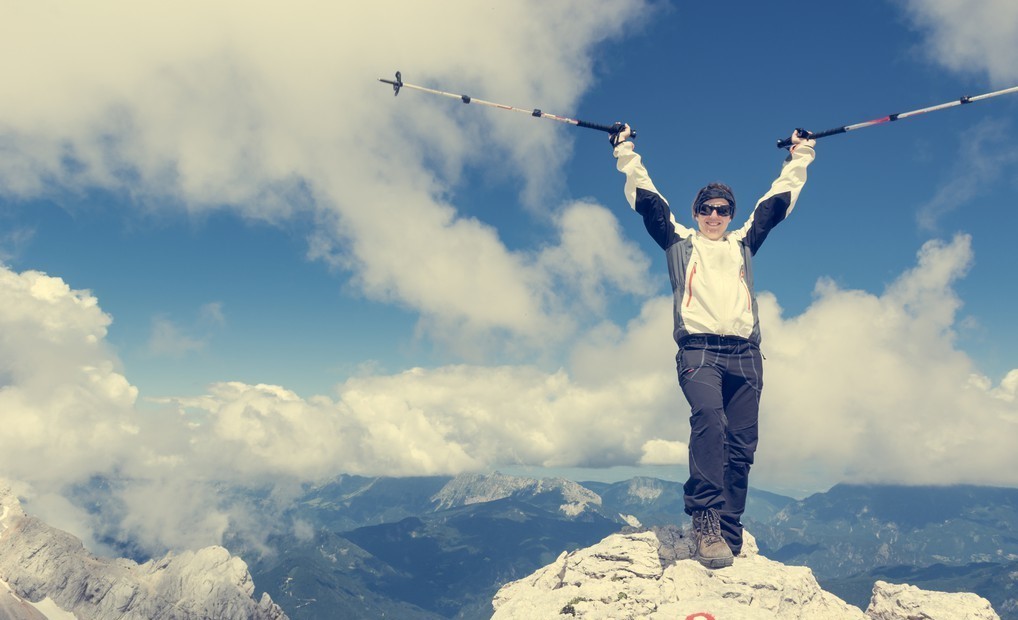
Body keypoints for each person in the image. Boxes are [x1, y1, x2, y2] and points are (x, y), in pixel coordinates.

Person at [609, 124, 816, 569]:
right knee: (708, 419)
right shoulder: (680, 244)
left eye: (723, 209)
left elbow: (777, 203)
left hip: (745, 354)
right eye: (706, 208)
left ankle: (729, 525)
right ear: (696, 211)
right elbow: (647, 200)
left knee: (741, 445)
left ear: (730, 213)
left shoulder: (743, 245)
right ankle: (704, 520)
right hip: (699, 351)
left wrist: (800, 155)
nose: (715, 215)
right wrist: (624, 149)